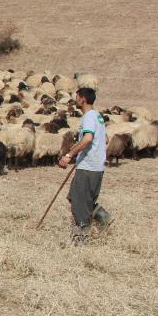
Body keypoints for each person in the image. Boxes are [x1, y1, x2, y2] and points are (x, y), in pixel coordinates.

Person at [58, 87, 112, 244]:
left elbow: (88, 139)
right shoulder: (98, 117)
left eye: (77, 97)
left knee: (80, 202)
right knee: (75, 197)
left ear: (82, 99)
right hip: (95, 166)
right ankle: (103, 217)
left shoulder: (89, 117)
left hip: (88, 168)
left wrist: (70, 155)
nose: (75, 100)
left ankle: (81, 239)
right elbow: (105, 139)